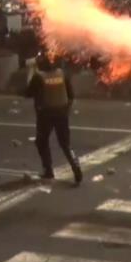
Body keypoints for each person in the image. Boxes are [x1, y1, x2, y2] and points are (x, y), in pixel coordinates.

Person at [23, 50, 83, 183]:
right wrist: (66, 110)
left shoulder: (39, 77)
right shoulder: (62, 74)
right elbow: (71, 96)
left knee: (42, 142)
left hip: (45, 114)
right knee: (65, 144)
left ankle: (48, 170)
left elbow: (27, 93)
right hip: (62, 113)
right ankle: (76, 165)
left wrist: (30, 71)